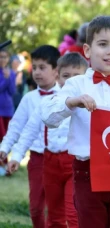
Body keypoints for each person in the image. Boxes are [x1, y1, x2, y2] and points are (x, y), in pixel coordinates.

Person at [41, 15, 110, 228]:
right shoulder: (76, 84)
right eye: (103, 44)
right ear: (87, 50)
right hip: (87, 172)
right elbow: (49, 117)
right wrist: (72, 102)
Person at [7, 53, 88, 227]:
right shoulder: (47, 102)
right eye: (66, 76)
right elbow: (29, 128)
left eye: (77, 77)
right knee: (54, 214)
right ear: (58, 77)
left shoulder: (89, 103)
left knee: (73, 213)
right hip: (49, 162)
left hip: (74, 161)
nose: (71, 81)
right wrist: (16, 156)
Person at [0, 45, 60, 228]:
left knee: (57, 208)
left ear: (56, 71)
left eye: (43, 68)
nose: (37, 72)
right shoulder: (29, 98)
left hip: (60, 160)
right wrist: (4, 149)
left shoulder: (66, 97)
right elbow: (16, 127)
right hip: (36, 160)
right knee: (35, 208)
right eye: (34, 68)